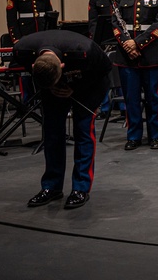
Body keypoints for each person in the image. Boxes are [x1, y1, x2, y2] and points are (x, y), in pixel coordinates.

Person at [15, 30, 111, 210]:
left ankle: (81, 188)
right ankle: (51, 186)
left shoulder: (86, 50)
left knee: (83, 132)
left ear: (63, 64)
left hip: (87, 83)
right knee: (52, 134)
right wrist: (53, 86)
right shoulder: (22, 50)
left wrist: (75, 89)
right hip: (50, 83)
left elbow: (105, 71)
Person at [112, 0, 158, 150]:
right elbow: (115, 24)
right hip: (127, 57)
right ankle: (134, 136)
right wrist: (128, 46)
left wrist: (137, 44)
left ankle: (155, 136)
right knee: (131, 99)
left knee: (154, 98)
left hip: (151, 56)